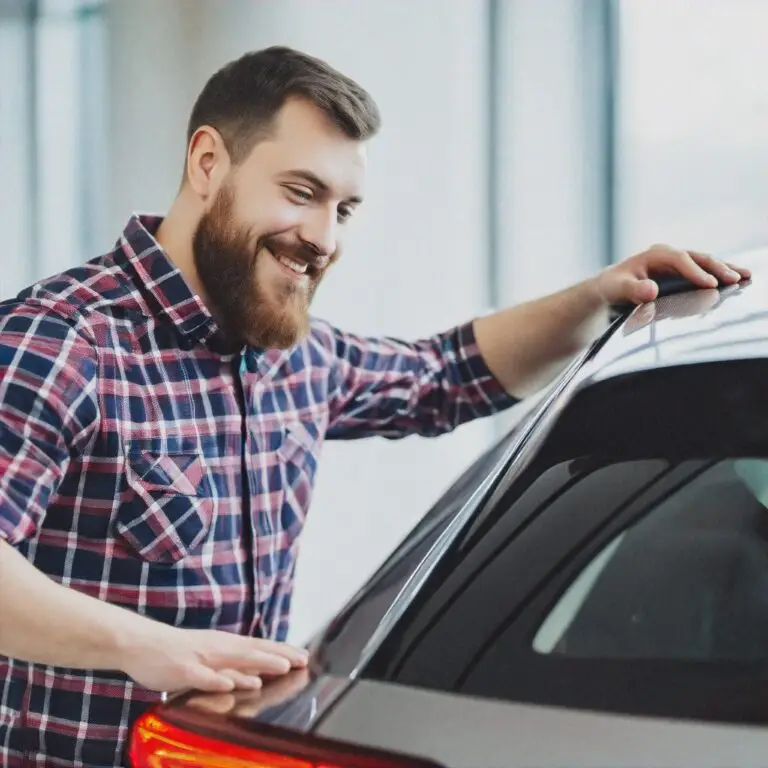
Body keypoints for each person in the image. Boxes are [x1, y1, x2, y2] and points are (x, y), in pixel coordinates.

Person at [0, 45, 749, 767]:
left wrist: (596, 296)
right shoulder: (61, 343)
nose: (323, 238)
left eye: (345, 209)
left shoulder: (292, 355)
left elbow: (444, 377)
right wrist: (150, 645)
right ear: (207, 163)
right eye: (300, 193)